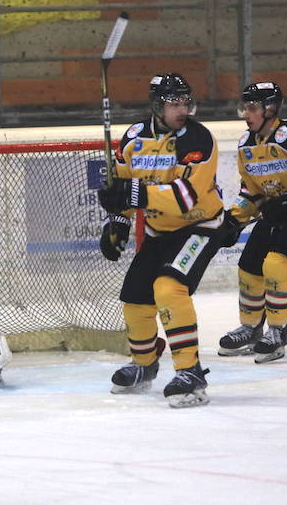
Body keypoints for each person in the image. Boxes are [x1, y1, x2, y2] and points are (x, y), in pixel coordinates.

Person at [97, 73, 227, 408]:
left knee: (169, 289)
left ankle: (191, 371)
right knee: (135, 296)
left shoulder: (199, 139)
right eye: (174, 103)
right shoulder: (133, 137)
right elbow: (123, 185)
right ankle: (144, 364)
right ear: (157, 105)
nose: (182, 109)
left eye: (185, 102)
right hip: (160, 231)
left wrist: (133, 192)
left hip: (200, 227)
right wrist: (117, 221)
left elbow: (187, 196)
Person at [218, 82, 287, 362]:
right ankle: (251, 328)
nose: (246, 113)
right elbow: (252, 193)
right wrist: (234, 218)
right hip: (277, 213)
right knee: (249, 264)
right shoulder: (246, 144)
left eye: (252, 107)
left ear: (270, 109)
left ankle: (277, 332)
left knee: (276, 263)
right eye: (244, 107)